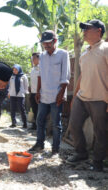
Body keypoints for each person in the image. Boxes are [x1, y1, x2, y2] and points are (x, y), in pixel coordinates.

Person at [67, 19, 108, 172]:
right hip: (82, 98)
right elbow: (82, 75)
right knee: (74, 125)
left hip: (100, 99)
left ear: (98, 31)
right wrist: (75, 95)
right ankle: (81, 153)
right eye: (83, 29)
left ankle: (97, 162)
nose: (84, 31)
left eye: (87, 28)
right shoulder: (85, 52)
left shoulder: (105, 48)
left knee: (100, 132)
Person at [29, 30, 70, 155]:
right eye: (44, 44)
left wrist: (62, 93)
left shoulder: (63, 54)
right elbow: (41, 75)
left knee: (56, 124)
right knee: (39, 121)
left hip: (57, 95)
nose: (46, 46)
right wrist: (37, 92)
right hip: (43, 95)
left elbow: (65, 76)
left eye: (48, 43)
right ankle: (39, 144)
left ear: (55, 41)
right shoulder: (42, 56)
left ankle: (55, 149)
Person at [29, 52, 40, 130]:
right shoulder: (32, 69)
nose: (33, 60)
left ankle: (39, 125)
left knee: (39, 110)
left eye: (34, 58)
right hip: (32, 92)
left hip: (39, 93)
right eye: (32, 59)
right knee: (34, 109)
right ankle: (34, 125)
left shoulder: (42, 68)